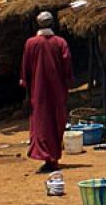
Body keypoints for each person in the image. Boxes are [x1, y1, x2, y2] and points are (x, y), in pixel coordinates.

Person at [21, 11, 72, 173]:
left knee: (41, 124)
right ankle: (53, 157)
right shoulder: (60, 43)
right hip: (57, 92)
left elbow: (25, 70)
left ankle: (48, 158)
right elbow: (67, 66)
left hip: (38, 92)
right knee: (56, 122)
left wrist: (27, 92)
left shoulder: (31, 44)